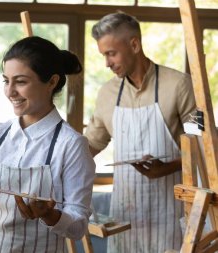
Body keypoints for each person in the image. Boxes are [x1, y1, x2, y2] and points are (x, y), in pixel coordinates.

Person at [0, 36, 95, 253]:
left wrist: (49, 215)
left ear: (51, 82)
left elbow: (78, 227)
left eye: (20, 81)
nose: (10, 91)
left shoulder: (71, 145)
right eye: (6, 80)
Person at [84, 12, 196, 253]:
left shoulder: (179, 84)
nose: (107, 63)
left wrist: (167, 167)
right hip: (125, 216)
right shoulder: (107, 93)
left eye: (111, 53)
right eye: (103, 55)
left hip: (169, 213)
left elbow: (206, 147)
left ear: (134, 44)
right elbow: (91, 145)